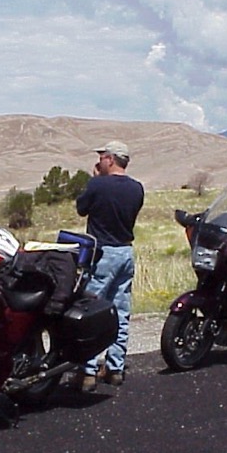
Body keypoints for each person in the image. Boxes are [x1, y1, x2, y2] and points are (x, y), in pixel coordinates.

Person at [73, 140, 144, 392]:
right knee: (121, 311)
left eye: (102, 157)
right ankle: (115, 367)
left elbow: (82, 209)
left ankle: (88, 371)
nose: (99, 161)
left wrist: (95, 180)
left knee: (91, 310)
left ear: (111, 159)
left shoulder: (98, 184)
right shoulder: (137, 188)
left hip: (102, 253)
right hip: (125, 251)